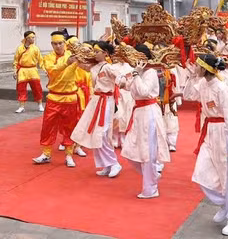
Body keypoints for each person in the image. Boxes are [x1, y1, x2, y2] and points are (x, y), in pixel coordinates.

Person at [184, 54, 228, 237]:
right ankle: (224, 203)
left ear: (206, 68)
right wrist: (192, 76)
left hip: (224, 132)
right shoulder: (203, 83)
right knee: (202, 172)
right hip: (209, 131)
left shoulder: (222, 88)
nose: (196, 67)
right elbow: (188, 95)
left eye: (198, 66)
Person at [120, 44, 170, 199]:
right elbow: (126, 86)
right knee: (130, 150)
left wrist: (136, 75)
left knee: (147, 151)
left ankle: (150, 188)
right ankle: (153, 175)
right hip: (138, 112)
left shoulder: (151, 73)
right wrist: (131, 75)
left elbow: (143, 91)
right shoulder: (138, 72)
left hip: (149, 112)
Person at [70, 42, 121, 178]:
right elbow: (80, 64)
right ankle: (107, 164)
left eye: (97, 51)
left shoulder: (109, 67)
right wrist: (75, 55)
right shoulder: (93, 66)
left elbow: (120, 79)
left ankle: (114, 163)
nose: (95, 53)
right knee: (95, 134)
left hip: (106, 102)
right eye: (94, 50)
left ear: (105, 53)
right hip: (96, 101)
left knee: (102, 134)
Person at [32, 30, 81, 167]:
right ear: (51, 44)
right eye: (55, 44)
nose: (58, 46)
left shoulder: (73, 56)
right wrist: (67, 63)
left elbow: (86, 67)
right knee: (48, 126)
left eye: (60, 43)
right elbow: (52, 70)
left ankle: (69, 155)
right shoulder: (48, 58)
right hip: (54, 96)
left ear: (65, 43)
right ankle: (46, 154)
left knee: (69, 127)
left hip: (70, 97)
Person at [13, 31, 44, 113]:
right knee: (21, 89)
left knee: (37, 88)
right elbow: (16, 61)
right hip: (22, 71)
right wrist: (15, 71)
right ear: (26, 38)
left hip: (33, 70)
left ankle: (40, 105)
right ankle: (21, 106)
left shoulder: (36, 48)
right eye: (31, 37)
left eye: (34, 37)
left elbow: (41, 60)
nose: (33, 39)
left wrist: (45, 69)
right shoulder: (20, 48)